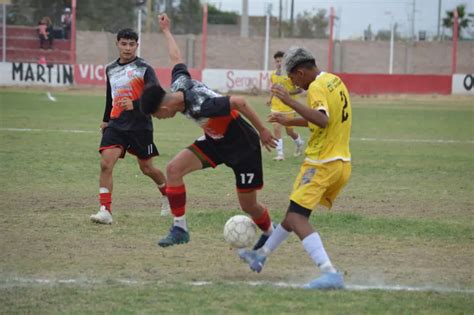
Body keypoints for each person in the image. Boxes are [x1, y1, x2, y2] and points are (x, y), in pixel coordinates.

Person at [140, 14, 277, 248]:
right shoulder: (179, 85)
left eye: (157, 116)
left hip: (243, 146)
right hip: (215, 141)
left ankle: (270, 233)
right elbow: (176, 58)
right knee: (173, 169)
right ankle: (180, 228)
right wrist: (166, 31)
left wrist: (263, 130)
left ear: (163, 107)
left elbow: (239, 102)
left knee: (248, 205)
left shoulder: (201, 105)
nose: (159, 120)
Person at [238, 47, 352, 290]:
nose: (293, 84)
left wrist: (289, 102)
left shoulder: (316, 88)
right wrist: (290, 120)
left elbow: (321, 119)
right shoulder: (333, 80)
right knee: (293, 214)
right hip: (341, 161)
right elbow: (326, 120)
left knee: (297, 218)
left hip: (322, 163)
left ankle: (329, 272)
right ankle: (261, 255)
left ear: (301, 72)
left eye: (293, 79)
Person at [90, 28, 170, 225]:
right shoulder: (110, 69)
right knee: (105, 163)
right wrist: (106, 119)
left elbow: (156, 94)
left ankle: (168, 196)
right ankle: (105, 211)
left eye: (131, 44)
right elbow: (111, 96)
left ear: (137, 45)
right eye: (124, 44)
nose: (127, 48)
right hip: (116, 124)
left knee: (147, 168)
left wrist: (134, 103)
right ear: (117, 44)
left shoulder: (144, 68)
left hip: (140, 126)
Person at [267, 51, 304, 161]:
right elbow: (274, 88)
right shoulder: (273, 75)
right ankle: (280, 154)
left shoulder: (291, 74)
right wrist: (270, 99)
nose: (279, 63)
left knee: (289, 131)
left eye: (281, 61)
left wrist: (288, 94)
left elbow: (300, 89)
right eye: (277, 61)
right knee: (276, 128)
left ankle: (299, 143)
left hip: (288, 108)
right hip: (276, 107)